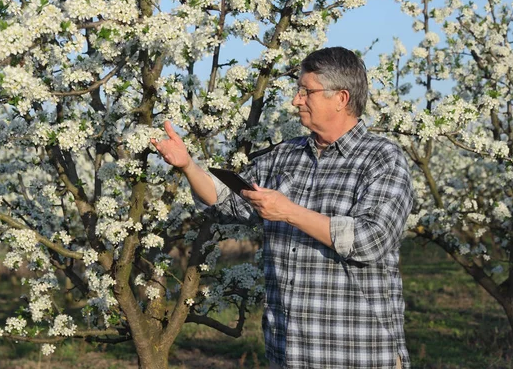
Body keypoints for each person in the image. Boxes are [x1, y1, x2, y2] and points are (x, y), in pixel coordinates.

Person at [151, 47, 413, 369]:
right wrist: (189, 166)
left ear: (341, 98)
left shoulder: (382, 158)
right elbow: (229, 201)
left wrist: (289, 211)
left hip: (356, 352)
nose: (296, 100)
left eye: (307, 91)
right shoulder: (285, 156)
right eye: (297, 90)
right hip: (289, 351)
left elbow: (372, 239)